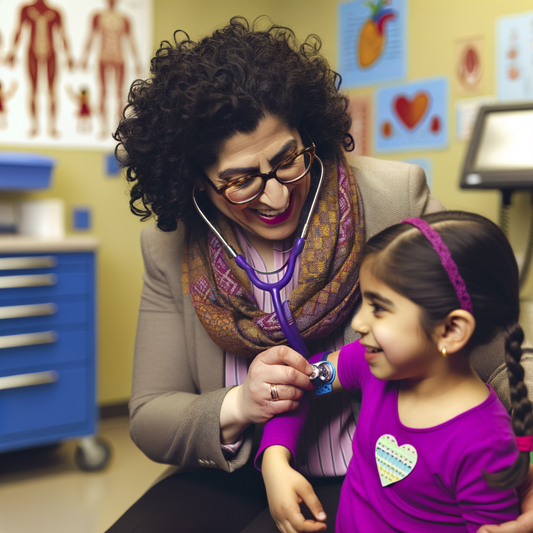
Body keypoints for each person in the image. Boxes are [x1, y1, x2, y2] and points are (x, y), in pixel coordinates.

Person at [109, 17, 533, 533]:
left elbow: (498, 353)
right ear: (197, 183)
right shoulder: (169, 244)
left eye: (288, 159)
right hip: (242, 462)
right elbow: (151, 414)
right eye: (240, 181)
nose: (276, 195)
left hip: (375, 472)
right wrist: (242, 403)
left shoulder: (393, 197)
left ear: (307, 132)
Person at [258, 211, 533, 532]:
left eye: (379, 308)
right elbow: (298, 379)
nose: (359, 324)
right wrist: (274, 459)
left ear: (451, 330)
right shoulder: (368, 361)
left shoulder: (485, 445)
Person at [6, 0, 74, 137]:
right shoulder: (25, 9)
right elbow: (19, 30)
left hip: (51, 53)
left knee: (52, 91)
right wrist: (13, 51)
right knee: (33, 90)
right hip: (32, 52)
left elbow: (62, 34)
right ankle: (34, 126)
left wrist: (68, 55)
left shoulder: (55, 12)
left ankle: (52, 127)